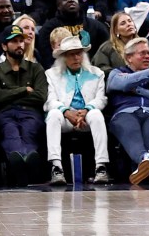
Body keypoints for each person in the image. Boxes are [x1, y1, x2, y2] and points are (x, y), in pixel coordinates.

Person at [105, 36, 149, 185]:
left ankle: (145, 163)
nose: (147, 56)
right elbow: (121, 84)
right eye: (142, 53)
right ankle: (146, 160)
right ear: (129, 57)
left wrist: (137, 90)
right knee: (131, 130)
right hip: (125, 112)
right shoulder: (117, 72)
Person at [45, 34, 111, 186]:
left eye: (79, 53)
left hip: (86, 116)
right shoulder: (51, 75)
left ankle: (101, 166)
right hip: (65, 117)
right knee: (53, 114)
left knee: (96, 114)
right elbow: (50, 101)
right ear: (63, 57)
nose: (76, 58)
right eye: (71, 54)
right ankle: (57, 167)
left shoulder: (97, 73)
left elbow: (101, 99)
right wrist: (66, 112)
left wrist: (86, 110)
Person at [0, 24, 48, 185]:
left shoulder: (35, 69)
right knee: (10, 131)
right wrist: (24, 90)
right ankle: (23, 160)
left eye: (21, 41)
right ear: (4, 46)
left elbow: (40, 96)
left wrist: (10, 94)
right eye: (14, 41)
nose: (19, 45)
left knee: (29, 130)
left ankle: (25, 160)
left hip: (30, 112)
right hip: (6, 113)